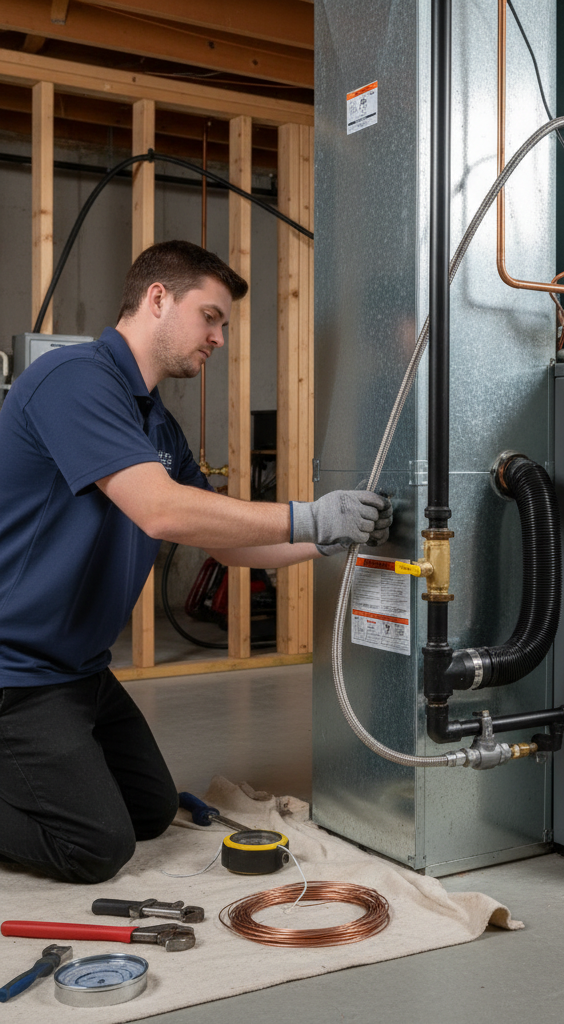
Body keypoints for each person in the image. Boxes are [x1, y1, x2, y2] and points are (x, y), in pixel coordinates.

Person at [0, 240, 391, 884]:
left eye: (223, 325)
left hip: (80, 672)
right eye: (210, 316)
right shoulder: (74, 380)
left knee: (151, 811)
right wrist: (308, 514)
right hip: (18, 671)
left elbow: (223, 542)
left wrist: (326, 537)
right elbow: (161, 511)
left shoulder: (155, 423)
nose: (218, 336)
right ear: (158, 299)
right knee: (96, 846)